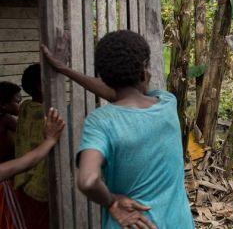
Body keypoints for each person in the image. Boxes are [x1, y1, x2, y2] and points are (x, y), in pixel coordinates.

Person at [42, 30, 194, 229]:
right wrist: (64, 69)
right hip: (178, 222)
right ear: (143, 71)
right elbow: (122, 94)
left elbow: (88, 180)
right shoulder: (167, 103)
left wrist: (111, 201)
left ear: (105, 77)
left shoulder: (101, 122)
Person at [0, 80, 65, 228]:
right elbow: (23, 163)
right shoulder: (9, 119)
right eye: (17, 101)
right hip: (7, 185)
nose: (19, 103)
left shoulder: (24, 109)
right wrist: (49, 140)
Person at [14, 63, 52, 228]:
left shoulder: (25, 107)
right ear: (40, 85)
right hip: (39, 186)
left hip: (22, 181)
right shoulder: (44, 114)